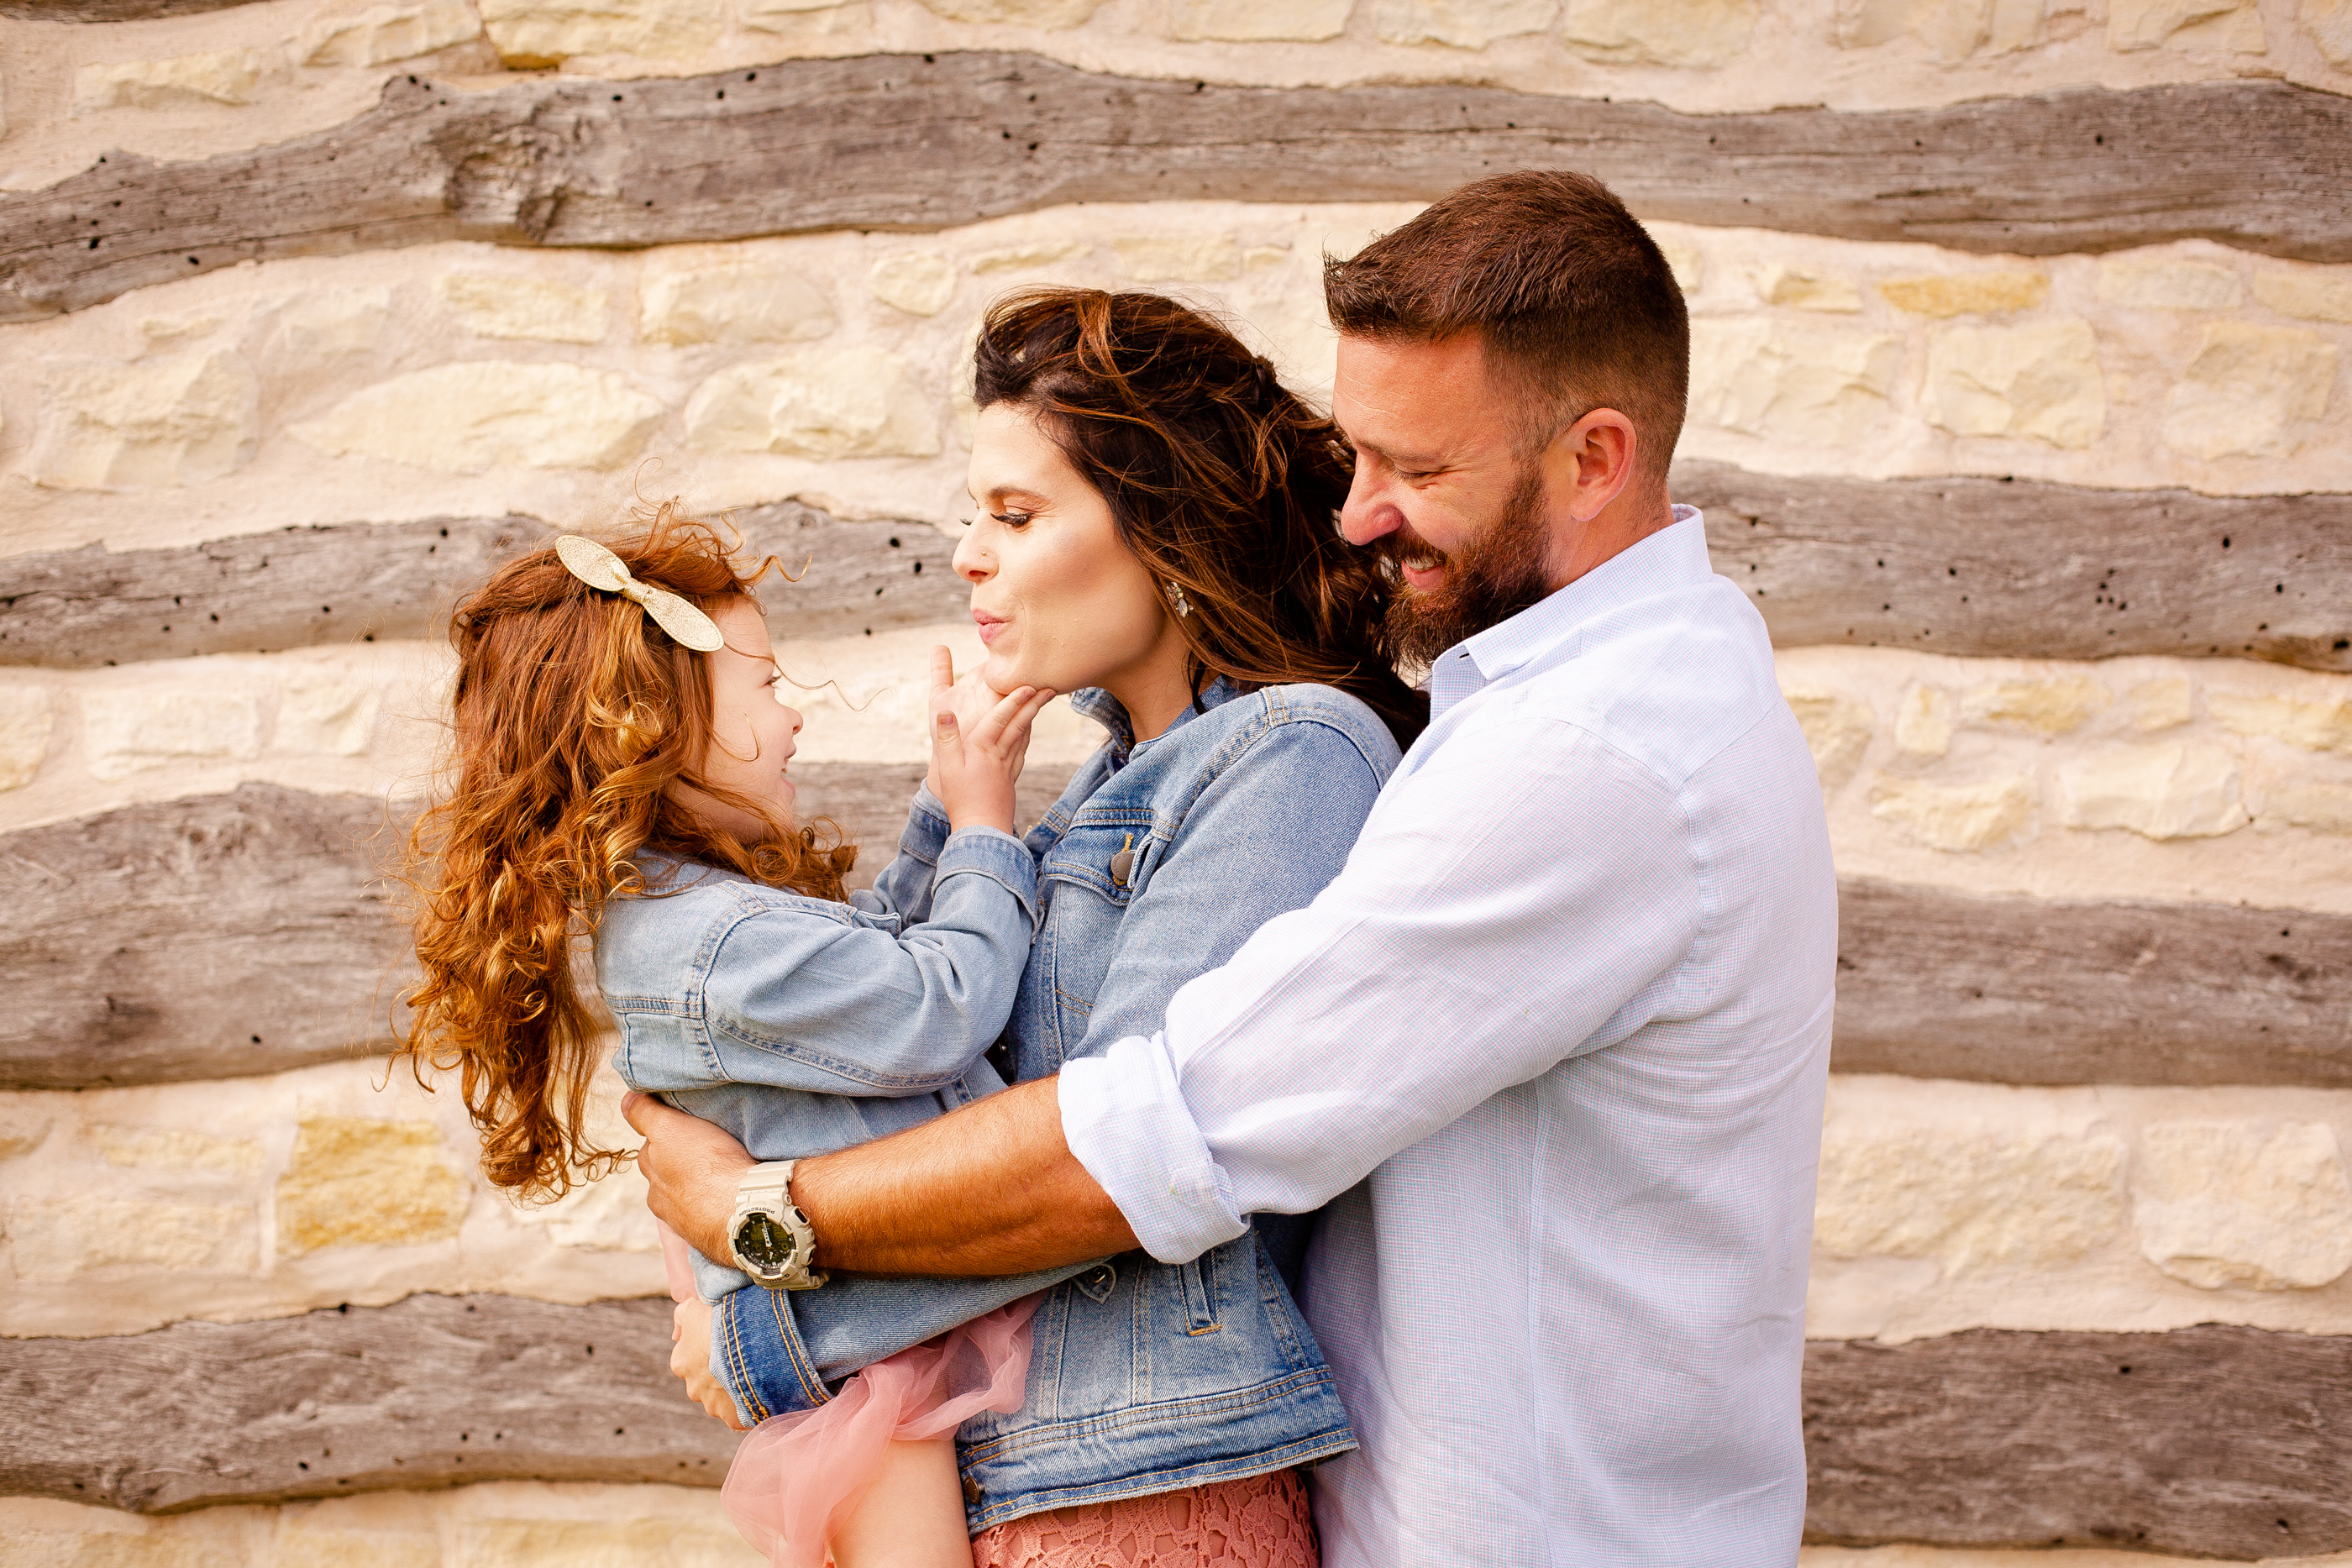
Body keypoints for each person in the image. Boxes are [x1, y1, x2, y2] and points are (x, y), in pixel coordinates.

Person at [627, 168, 1840, 1565]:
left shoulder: (1587, 755)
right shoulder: (1541, 709)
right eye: (1360, 457)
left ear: (1595, 457)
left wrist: (759, 1232)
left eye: (1420, 469)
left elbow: (1156, 1140)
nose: (1359, 514)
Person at [396, 515, 1064, 1567]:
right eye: (764, 684)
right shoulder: (715, 941)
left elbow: (874, 962)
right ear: (654, 728)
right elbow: (933, 1008)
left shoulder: (698, 914)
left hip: (875, 1335)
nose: (792, 714)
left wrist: (944, 802)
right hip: (870, 1369)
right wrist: (985, 824)